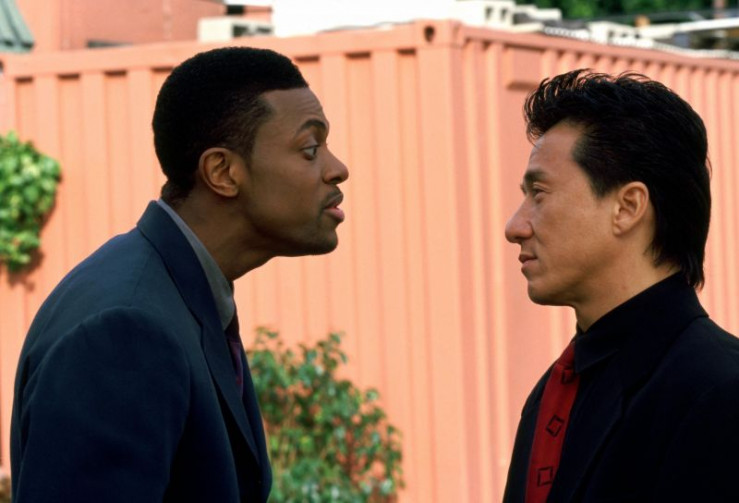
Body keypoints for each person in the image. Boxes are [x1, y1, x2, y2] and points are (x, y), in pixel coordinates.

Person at [10, 46, 349, 502]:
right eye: (310, 149)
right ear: (222, 172)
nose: (337, 169)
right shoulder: (126, 331)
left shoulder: (177, 295)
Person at [502, 69, 739, 502]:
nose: (514, 227)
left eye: (540, 193)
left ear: (628, 207)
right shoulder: (553, 394)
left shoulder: (721, 390)